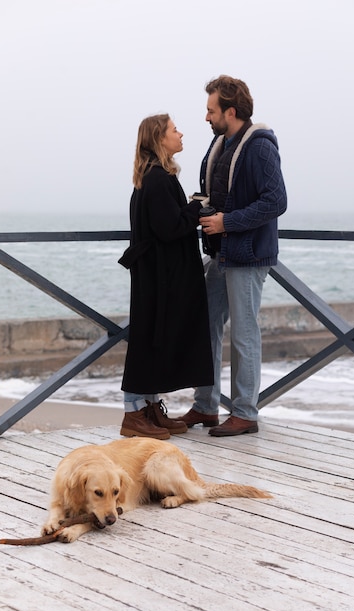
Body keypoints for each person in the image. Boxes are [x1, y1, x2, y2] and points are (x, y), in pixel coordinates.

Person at [176, 75, 287, 437]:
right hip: (220, 254)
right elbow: (219, 194)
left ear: (231, 111)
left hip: (248, 255)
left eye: (211, 110)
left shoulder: (260, 147)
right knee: (204, 327)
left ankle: (244, 413)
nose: (206, 117)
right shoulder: (220, 144)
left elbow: (275, 201)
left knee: (243, 334)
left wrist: (227, 222)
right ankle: (206, 406)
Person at [118, 113, 214, 439]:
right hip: (157, 276)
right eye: (174, 130)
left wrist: (188, 209)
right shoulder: (157, 178)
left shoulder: (154, 175)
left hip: (155, 274)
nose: (181, 134)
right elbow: (169, 227)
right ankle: (134, 414)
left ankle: (149, 408)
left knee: (153, 339)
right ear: (160, 138)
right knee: (148, 339)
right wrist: (196, 208)